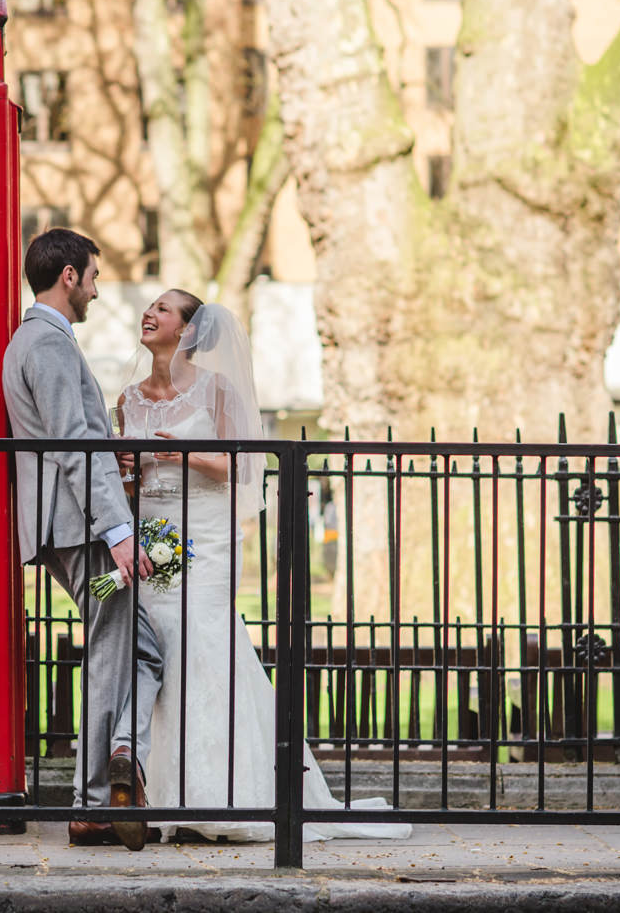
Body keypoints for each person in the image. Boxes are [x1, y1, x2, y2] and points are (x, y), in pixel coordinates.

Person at [117, 289, 410, 843]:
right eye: (149, 306)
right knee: (155, 652)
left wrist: (175, 454)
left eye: (164, 308)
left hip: (204, 532)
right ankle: (158, 793)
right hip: (151, 532)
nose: (150, 313)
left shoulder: (216, 389)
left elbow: (244, 466)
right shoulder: (130, 397)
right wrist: (127, 465)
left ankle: (220, 793)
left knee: (203, 649)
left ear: (187, 329)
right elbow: (128, 481)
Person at [1, 228, 163, 850]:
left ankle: (122, 754)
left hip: (77, 534)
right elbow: (72, 443)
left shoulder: (41, 341)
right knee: (110, 649)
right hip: (86, 535)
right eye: (92, 277)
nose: (96, 289)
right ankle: (93, 802)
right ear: (67, 276)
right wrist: (119, 531)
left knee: (136, 647)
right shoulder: (46, 344)